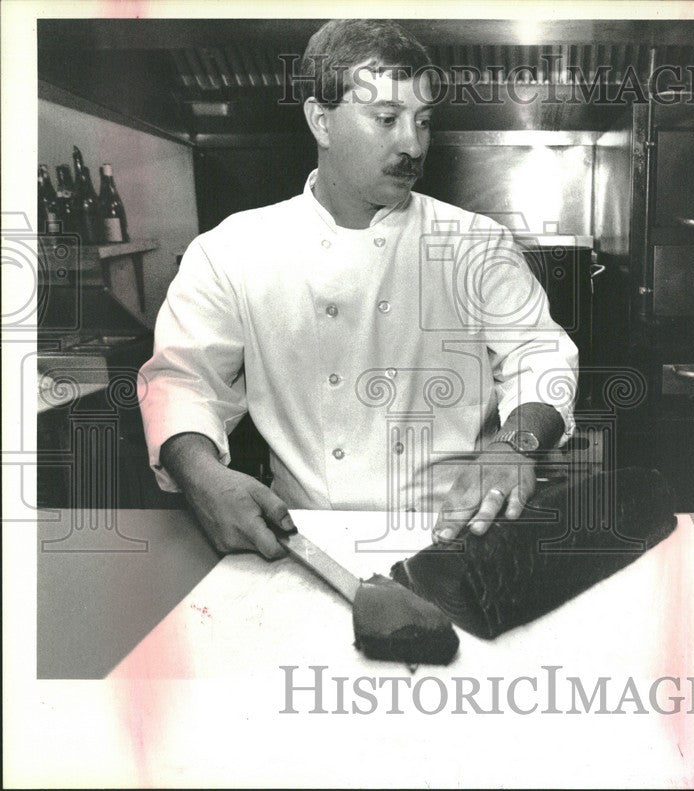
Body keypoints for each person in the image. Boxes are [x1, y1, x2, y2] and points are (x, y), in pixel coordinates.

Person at [137, 19, 578, 560]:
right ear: (321, 121)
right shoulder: (233, 250)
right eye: (387, 119)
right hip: (302, 544)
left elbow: (543, 356)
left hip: (460, 532)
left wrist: (516, 447)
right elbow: (182, 382)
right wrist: (202, 476)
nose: (412, 145)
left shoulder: (475, 245)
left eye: (423, 121)